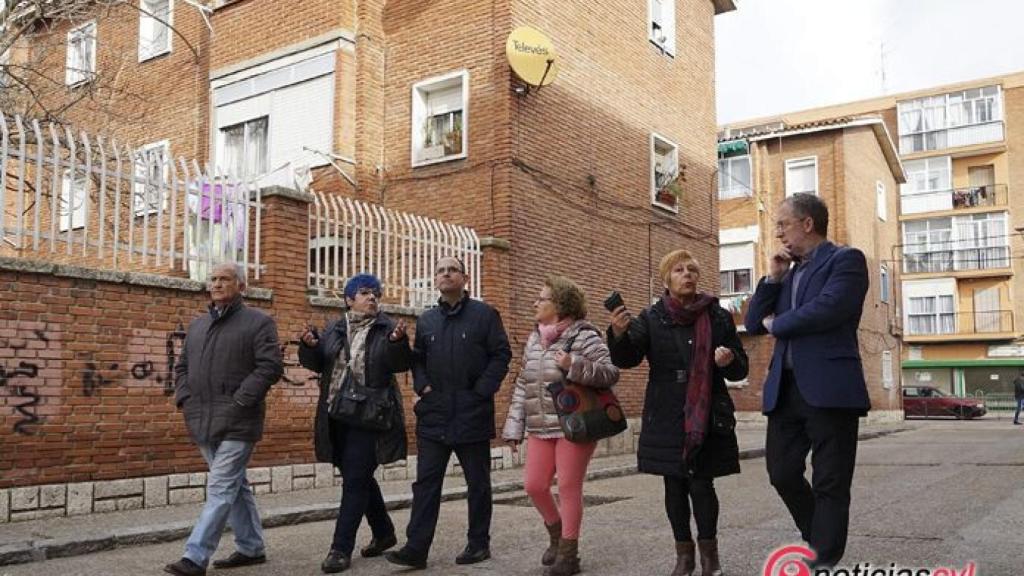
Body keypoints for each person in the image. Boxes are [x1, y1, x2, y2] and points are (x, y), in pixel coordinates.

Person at [744, 193, 870, 568]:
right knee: (781, 472)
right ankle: (818, 538)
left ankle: (823, 559)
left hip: (830, 389)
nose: (778, 232)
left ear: (807, 224)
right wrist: (772, 278)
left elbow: (829, 308)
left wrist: (777, 324)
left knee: (830, 481)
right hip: (785, 389)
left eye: (782, 224)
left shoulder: (846, 260)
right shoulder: (789, 271)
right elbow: (752, 323)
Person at [608, 250, 747, 576]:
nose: (687, 274)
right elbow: (627, 358)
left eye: (692, 270)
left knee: (701, 485)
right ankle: (684, 556)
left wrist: (729, 361)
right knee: (674, 487)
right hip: (667, 413)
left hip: (707, 414)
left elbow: (741, 368)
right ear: (667, 279)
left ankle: (709, 558)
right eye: (679, 270)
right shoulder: (652, 317)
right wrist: (618, 334)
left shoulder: (718, 316)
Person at [385, 256, 512, 570]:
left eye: (452, 269)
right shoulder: (427, 320)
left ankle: (478, 543)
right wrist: (422, 386)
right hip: (435, 414)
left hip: (472, 412)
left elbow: (501, 354)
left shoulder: (484, 315)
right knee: (426, 483)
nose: (446, 274)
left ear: (465, 278)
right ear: (435, 280)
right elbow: (418, 359)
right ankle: (416, 548)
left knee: (478, 483)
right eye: (440, 270)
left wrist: (482, 390)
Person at [166, 262, 283, 576]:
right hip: (201, 420)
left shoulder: (259, 322)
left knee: (220, 487)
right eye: (213, 279)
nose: (217, 284)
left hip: (239, 420)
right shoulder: (198, 326)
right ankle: (251, 546)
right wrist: (185, 399)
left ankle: (195, 556)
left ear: (241, 287)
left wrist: (241, 400)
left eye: (225, 279)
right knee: (235, 486)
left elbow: (270, 366)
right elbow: (182, 369)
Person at [502, 276, 620, 576]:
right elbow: (522, 384)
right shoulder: (534, 338)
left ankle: (569, 554)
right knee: (534, 485)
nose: (535, 303)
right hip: (541, 427)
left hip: (576, 424)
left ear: (560, 305)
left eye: (542, 299)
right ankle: (556, 535)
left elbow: (609, 373)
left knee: (568, 486)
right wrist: (514, 428)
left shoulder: (585, 336)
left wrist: (573, 365)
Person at [298, 274, 412, 573]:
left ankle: (340, 548)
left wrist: (399, 344)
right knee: (357, 475)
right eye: (364, 293)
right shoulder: (335, 328)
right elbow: (316, 362)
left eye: (375, 293)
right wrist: (309, 346)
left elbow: (398, 363)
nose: (372, 297)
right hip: (336, 413)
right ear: (349, 299)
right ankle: (384, 532)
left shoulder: (387, 328)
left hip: (369, 415)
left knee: (355, 479)